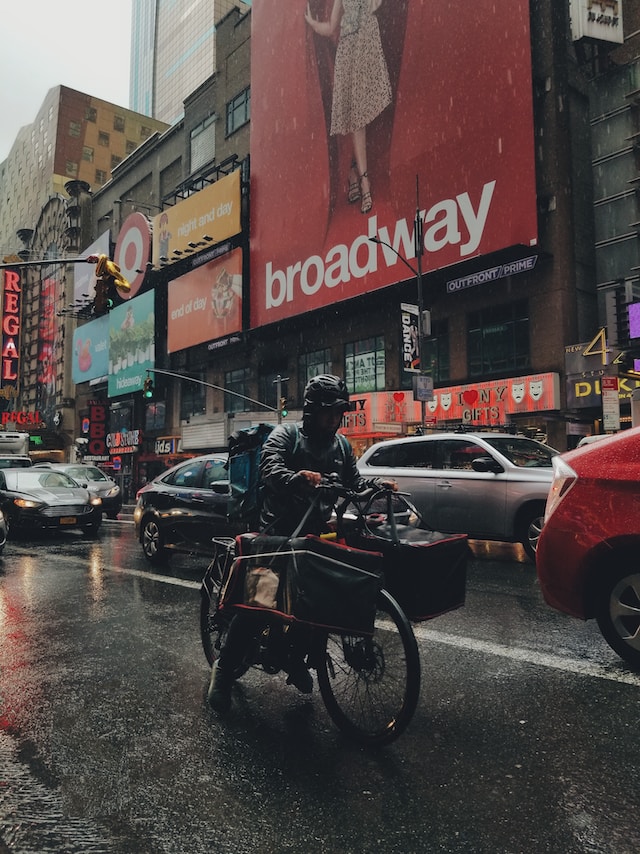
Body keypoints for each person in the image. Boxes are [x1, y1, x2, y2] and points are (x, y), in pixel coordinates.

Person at [207, 374, 397, 714]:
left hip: (314, 537)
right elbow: (270, 469)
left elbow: (354, 482)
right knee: (258, 604)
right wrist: (296, 478)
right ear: (311, 412)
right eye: (329, 412)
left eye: (339, 413)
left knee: (318, 600)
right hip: (277, 535)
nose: (334, 419)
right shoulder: (286, 436)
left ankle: (296, 660)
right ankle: (222, 671)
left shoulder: (340, 445)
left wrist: (377, 484)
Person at [305, 0, 392, 214]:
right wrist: (311, 22)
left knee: (364, 111)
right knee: (356, 119)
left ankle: (354, 170)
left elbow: (376, 5)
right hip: (349, 52)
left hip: (367, 47)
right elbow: (331, 27)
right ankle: (364, 183)